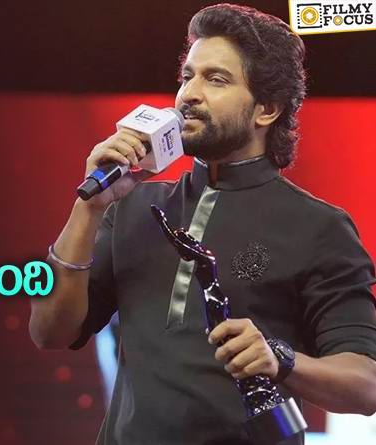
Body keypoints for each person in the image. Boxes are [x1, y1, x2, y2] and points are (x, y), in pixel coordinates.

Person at [28, 4, 376, 445]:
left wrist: (281, 358)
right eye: (187, 76)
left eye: (216, 79)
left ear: (266, 109)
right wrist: (89, 208)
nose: (189, 94)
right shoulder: (132, 206)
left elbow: (365, 385)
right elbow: (49, 331)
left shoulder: (319, 227)